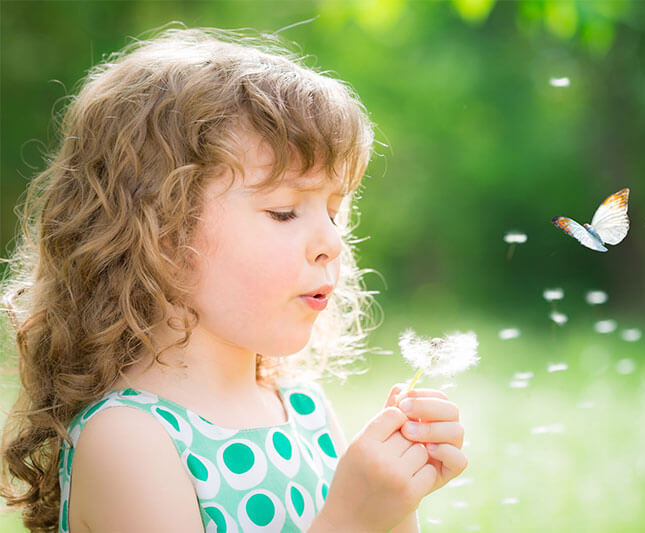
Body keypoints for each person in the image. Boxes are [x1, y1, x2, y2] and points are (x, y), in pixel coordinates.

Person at [0, 27, 467, 532]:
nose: (332, 243)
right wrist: (354, 517)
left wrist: (393, 503)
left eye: (334, 213)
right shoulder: (129, 440)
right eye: (285, 211)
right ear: (160, 233)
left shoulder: (304, 409)